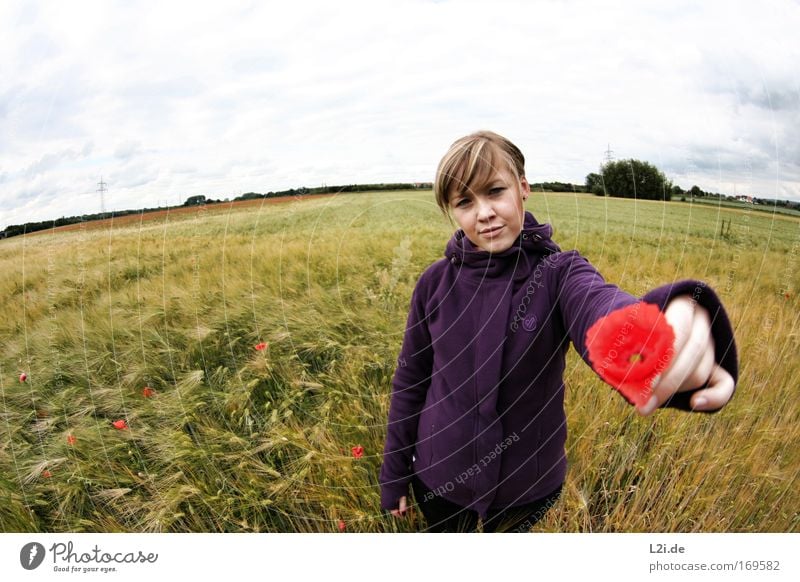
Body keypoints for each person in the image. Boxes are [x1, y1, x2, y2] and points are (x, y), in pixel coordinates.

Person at [378, 130, 738, 533]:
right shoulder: (434, 284)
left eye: (495, 190)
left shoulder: (559, 274)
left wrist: (658, 332)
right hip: (438, 476)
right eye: (465, 202)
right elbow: (410, 382)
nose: (484, 212)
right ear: (451, 211)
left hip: (527, 488)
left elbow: (600, 308)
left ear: (523, 187)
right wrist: (394, 475)